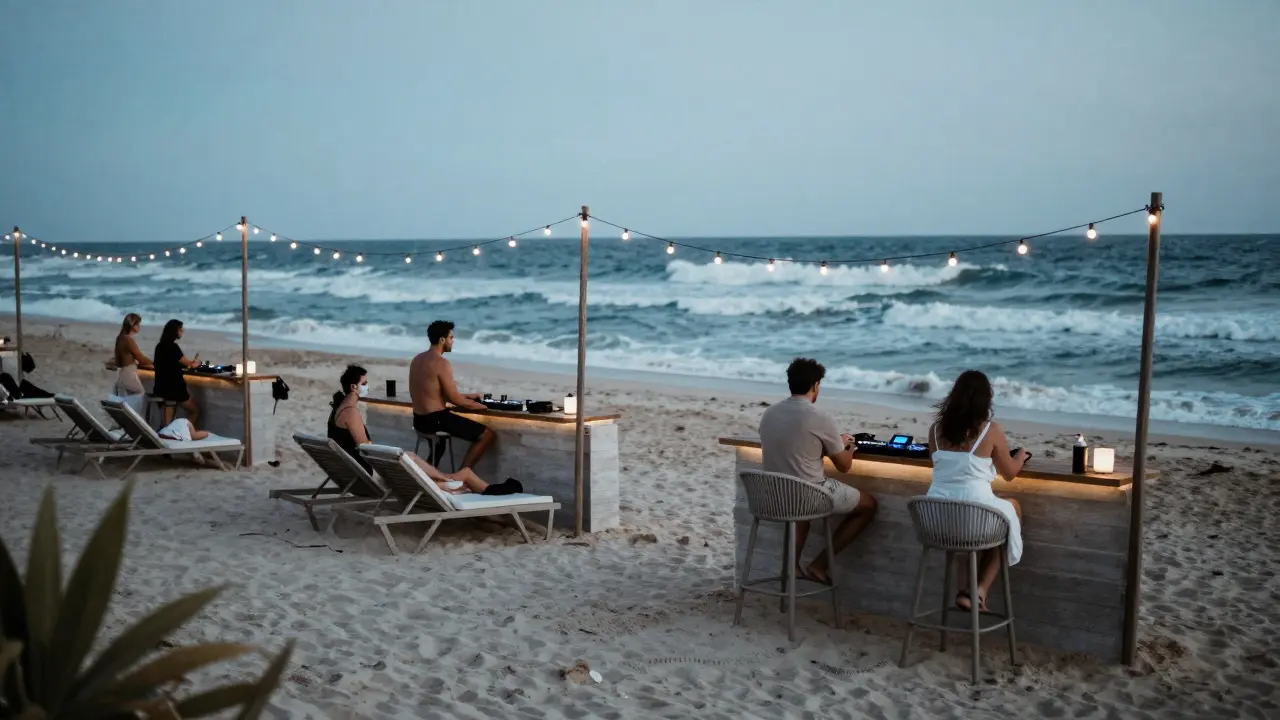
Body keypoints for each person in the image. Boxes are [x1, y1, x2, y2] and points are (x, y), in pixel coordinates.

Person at [758, 357, 878, 584]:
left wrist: (827, 444)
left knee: (800, 494)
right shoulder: (819, 417)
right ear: (815, 386)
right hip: (808, 496)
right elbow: (844, 466)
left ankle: (792, 566)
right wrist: (847, 447)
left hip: (772, 496)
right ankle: (819, 565)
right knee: (869, 505)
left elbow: (797, 446)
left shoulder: (769, 413)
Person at [332, 364, 522, 496]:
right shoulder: (351, 413)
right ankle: (455, 482)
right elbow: (365, 448)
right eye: (364, 384)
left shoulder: (339, 409)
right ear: (353, 387)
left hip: (358, 473)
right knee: (412, 458)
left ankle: (450, 483)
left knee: (412, 458)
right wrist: (388, 459)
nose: (367, 387)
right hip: (371, 472)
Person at [926, 369, 1028, 612]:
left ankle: (964, 592)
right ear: (986, 400)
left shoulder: (936, 430)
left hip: (935, 519)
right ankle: (979, 591)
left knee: (971, 520)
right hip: (972, 519)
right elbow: (1010, 473)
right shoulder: (990, 430)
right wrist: (1021, 456)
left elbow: (944, 469)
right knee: (1012, 512)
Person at [408, 320, 495, 470]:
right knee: (486, 435)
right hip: (436, 419)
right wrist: (483, 406)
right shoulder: (441, 363)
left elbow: (435, 392)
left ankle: (426, 476)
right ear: (442, 340)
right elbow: (455, 399)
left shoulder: (417, 359)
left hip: (419, 420)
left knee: (439, 445)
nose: (452, 341)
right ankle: (462, 476)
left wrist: (468, 396)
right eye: (451, 338)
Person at [153, 319, 201, 428]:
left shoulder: (159, 346)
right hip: (174, 389)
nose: (182, 331)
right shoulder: (173, 347)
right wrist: (196, 362)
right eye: (180, 329)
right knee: (195, 411)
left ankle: (173, 434)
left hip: (160, 388)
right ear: (174, 331)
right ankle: (182, 434)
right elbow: (189, 364)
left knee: (167, 423)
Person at [112, 313, 153, 397]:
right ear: (132, 325)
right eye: (137, 324)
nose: (139, 327)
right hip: (129, 375)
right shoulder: (128, 340)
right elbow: (140, 358)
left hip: (121, 375)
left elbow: (119, 361)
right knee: (141, 395)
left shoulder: (120, 338)